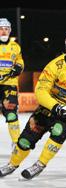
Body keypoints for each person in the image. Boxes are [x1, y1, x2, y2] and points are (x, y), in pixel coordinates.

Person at [0, 32, 66, 179]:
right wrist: (56, 106)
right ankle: (12, 164)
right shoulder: (55, 65)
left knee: (58, 132)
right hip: (50, 105)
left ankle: (40, 164)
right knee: (26, 139)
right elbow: (41, 90)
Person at [0, 18, 24, 149]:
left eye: (6, 29)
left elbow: (20, 61)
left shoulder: (15, 47)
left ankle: (16, 142)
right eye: (1, 29)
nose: (3, 32)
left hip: (9, 84)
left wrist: (18, 67)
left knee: (11, 113)